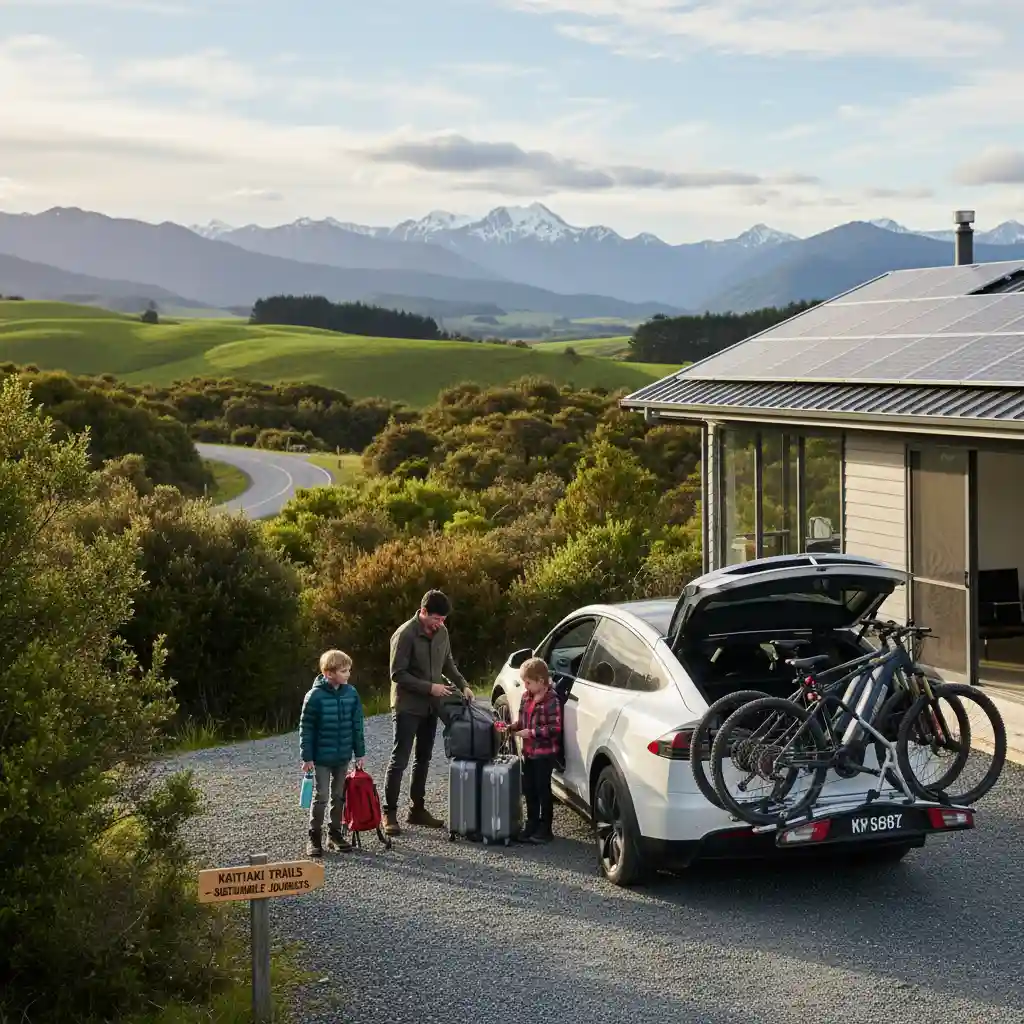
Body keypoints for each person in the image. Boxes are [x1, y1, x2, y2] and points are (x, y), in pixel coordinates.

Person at [383, 590, 473, 836]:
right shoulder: (404, 635)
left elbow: (448, 663)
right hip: (407, 705)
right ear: (423, 612)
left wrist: (463, 685)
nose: (440, 624)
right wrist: (430, 687)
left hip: (431, 706)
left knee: (423, 758)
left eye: (443, 620)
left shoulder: (442, 633)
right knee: (399, 759)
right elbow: (397, 674)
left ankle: (417, 810)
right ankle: (389, 813)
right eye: (436, 619)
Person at [299, 649, 366, 857]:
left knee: (339, 796)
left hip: (343, 755)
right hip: (320, 758)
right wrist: (307, 757)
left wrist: (359, 753)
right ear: (329, 673)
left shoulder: (351, 693)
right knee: (321, 796)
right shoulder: (314, 697)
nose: (348, 674)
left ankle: (334, 833)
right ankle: (314, 836)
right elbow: (306, 728)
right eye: (344, 671)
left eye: (349, 670)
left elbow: (357, 725)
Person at [509, 657, 562, 844]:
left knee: (542, 789)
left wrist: (531, 733)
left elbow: (555, 728)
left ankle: (545, 828)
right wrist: (513, 727)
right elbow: (522, 720)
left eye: (528, 682)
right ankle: (531, 823)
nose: (525, 686)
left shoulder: (551, 700)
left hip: (544, 754)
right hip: (529, 753)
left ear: (541, 681)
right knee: (529, 789)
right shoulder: (526, 697)